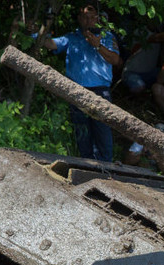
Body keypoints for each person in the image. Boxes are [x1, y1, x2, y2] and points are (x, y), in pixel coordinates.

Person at [40, 3, 121, 162]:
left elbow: (115, 59)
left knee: (102, 130)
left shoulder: (107, 36)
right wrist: (40, 29)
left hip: (100, 91)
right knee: (82, 131)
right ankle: (87, 165)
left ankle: (106, 167)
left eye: (92, 17)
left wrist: (97, 45)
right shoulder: (72, 37)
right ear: (79, 19)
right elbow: (49, 44)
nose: (88, 20)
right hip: (76, 90)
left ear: (98, 19)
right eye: (85, 17)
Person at [121, 23, 164, 94]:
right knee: (138, 86)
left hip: (150, 73)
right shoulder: (141, 31)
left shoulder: (158, 31)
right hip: (132, 72)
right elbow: (157, 38)